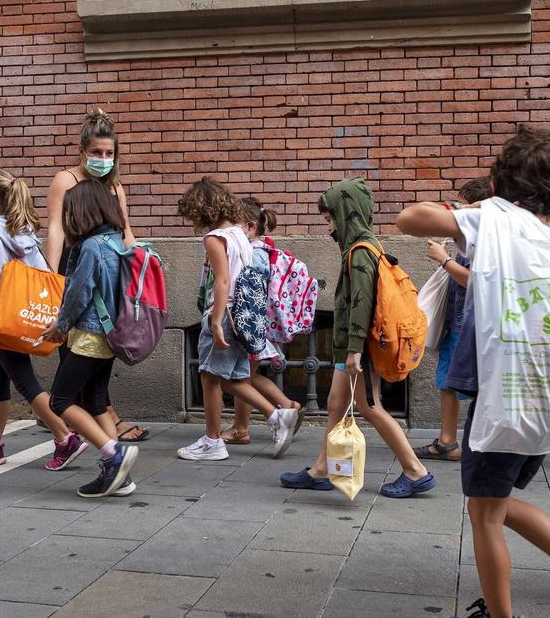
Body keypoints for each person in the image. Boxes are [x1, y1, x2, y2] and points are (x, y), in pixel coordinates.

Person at [396, 127, 550, 618]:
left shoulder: (495, 221)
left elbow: (409, 218)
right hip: (545, 396)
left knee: (484, 511)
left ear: (499, 182)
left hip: (507, 399)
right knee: (492, 502)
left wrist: (479, 210)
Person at [279, 178, 435, 498]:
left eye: (330, 218)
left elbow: (361, 306)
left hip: (360, 347)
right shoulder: (362, 247)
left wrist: (354, 351)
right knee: (336, 404)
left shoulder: (361, 251)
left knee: (369, 406)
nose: (328, 227)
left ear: (346, 213)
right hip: (351, 347)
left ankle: (416, 470)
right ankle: (321, 469)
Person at [0, 169, 88, 470]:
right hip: (21, 317)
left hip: (4, 320)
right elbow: (42, 273)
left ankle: (65, 438)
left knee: (26, 382)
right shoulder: (24, 233)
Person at [176, 178, 298, 461]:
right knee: (233, 379)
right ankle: (277, 416)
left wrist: (215, 321)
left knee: (209, 378)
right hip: (244, 317)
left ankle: (213, 442)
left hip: (224, 314)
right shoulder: (240, 236)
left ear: (201, 210)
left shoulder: (214, 238)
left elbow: (222, 281)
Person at [45, 109, 148, 443]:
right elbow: (56, 229)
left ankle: (95, 427)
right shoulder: (66, 180)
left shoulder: (115, 186)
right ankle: (99, 427)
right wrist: (51, 279)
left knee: (91, 355)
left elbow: (126, 233)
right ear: (82, 151)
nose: (103, 159)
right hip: (73, 268)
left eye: (109, 153)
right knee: (76, 353)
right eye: (96, 152)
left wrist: (138, 277)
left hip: (106, 273)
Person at [39, 180, 138, 497]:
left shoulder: (93, 247)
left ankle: (113, 455)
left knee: (60, 400)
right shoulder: (115, 242)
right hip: (109, 335)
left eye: (69, 212)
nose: (67, 218)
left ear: (82, 211)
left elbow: (79, 292)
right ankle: (119, 476)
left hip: (89, 336)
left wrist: (60, 325)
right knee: (96, 403)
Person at [411, 176, 492, 463]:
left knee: (467, 384)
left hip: (470, 323)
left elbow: (475, 281)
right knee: (448, 381)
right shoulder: (473, 237)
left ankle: (470, 443)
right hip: (460, 321)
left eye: (462, 207)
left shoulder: (484, 240)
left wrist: (443, 259)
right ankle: (448, 442)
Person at [219, 197, 305, 448]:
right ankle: (287, 407)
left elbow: (246, 290)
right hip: (259, 326)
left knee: (240, 379)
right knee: (247, 376)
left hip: (252, 326)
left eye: (234, 225)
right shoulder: (263, 249)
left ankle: (244, 427)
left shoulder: (253, 254)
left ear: (250, 226)